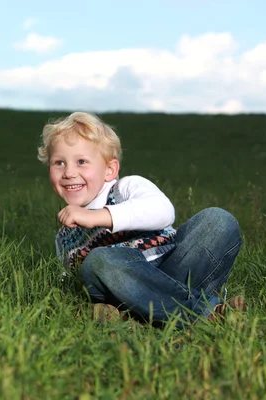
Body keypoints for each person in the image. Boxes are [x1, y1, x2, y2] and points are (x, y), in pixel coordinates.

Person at [37, 111, 245, 326]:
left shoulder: (125, 188)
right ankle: (204, 312)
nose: (69, 172)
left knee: (218, 221)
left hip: (173, 268)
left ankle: (140, 315)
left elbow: (163, 211)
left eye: (81, 161)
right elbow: (72, 280)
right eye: (59, 163)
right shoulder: (65, 235)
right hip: (121, 288)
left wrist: (99, 216)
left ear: (110, 169)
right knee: (98, 261)